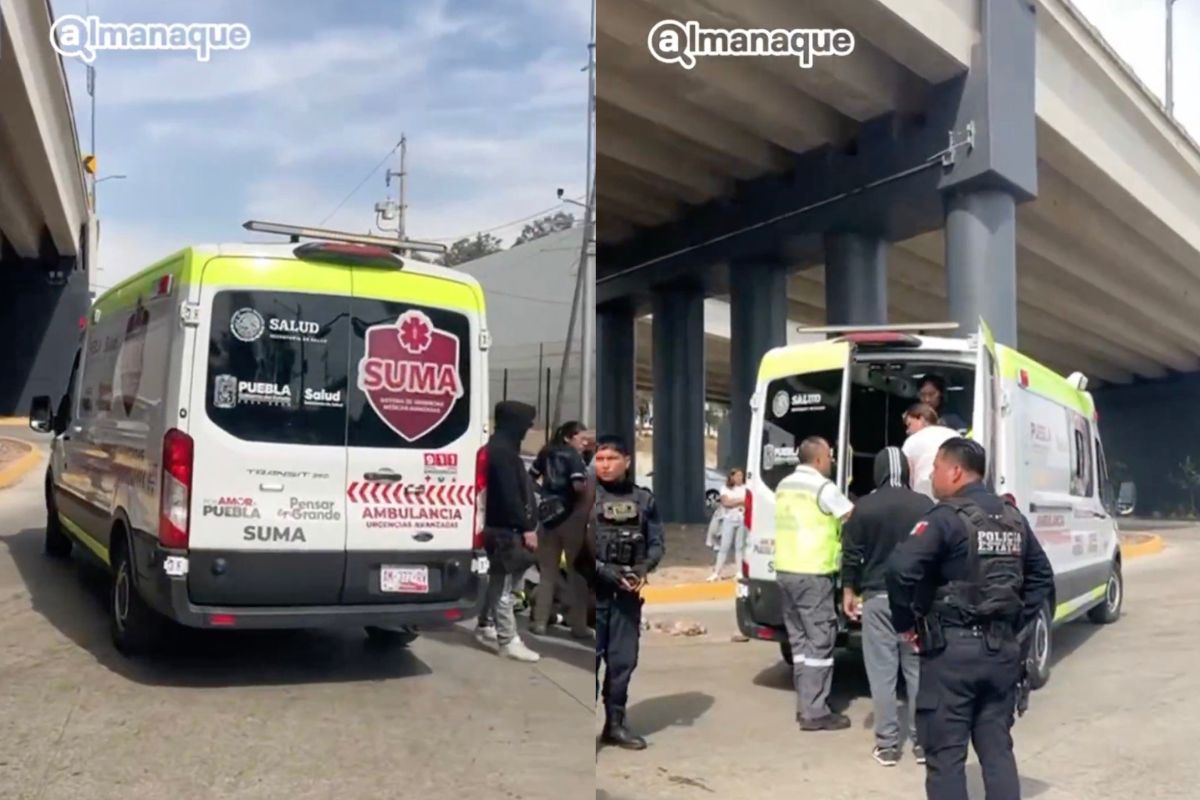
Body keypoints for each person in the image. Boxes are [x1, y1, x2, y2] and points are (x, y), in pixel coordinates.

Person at [886, 438, 1055, 800]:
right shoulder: (1013, 518)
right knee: (996, 751)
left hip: (952, 654)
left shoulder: (946, 517)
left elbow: (900, 570)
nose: (931, 476)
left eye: (935, 468)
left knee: (946, 756)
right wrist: (1012, 619)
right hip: (1002, 653)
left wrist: (906, 623)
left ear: (956, 471)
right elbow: (1042, 576)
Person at [841, 447, 934, 767]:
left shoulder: (863, 508)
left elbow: (850, 553)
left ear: (878, 471)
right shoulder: (925, 505)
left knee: (881, 673)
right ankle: (922, 743)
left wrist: (848, 592)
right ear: (907, 472)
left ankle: (888, 746)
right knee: (917, 670)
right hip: (916, 601)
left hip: (878, 599)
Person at [774, 436, 855, 732]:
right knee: (820, 641)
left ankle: (805, 704)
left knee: (799, 643)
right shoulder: (822, 487)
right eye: (830, 456)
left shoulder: (784, 485)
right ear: (819, 459)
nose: (832, 461)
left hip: (785, 571)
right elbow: (850, 516)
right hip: (813, 572)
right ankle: (815, 712)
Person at [594, 434, 664, 750]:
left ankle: (615, 724)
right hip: (591, 595)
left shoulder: (644, 500)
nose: (605, 465)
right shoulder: (583, 498)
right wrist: (603, 570)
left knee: (623, 661)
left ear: (626, 462)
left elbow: (656, 543)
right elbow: (570, 548)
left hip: (625, 597)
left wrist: (642, 570)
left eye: (611, 459)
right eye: (600, 459)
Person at [474, 401, 542, 663]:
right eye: (526, 423)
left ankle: (486, 624)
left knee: (498, 582)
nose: (528, 429)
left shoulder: (502, 449)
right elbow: (509, 496)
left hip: (503, 528)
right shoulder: (502, 453)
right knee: (505, 588)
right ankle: (508, 639)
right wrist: (526, 528)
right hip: (505, 531)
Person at [529, 421, 592, 638]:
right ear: (568, 437)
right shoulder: (573, 457)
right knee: (577, 575)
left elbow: (530, 478)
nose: (584, 443)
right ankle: (579, 626)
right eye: (580, 438)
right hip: (570, 519)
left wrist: (544, 496)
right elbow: (577, 487)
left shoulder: (546, 452)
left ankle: (539, 623)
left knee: (547, 575)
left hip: (547, 519)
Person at [903, 404, 959, 502]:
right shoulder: (955, 436)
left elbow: (905, 473)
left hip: (922, 498)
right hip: (955, 497)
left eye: (909, 424)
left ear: (921, 418)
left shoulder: (911, 441)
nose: (907, 431)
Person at [708, 467, 747, 582]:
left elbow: (747, 502)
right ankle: (716, 572)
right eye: (737, 476)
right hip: (729, 520)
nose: (740, 478)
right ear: (732, 477)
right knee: (724, 546)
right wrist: (740, 501)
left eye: (741, 475)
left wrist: (734, 501)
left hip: (742, 520)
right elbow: (726, 503)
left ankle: (740, 571)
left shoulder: (745, 488)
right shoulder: (725, 488)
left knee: (739, 547)